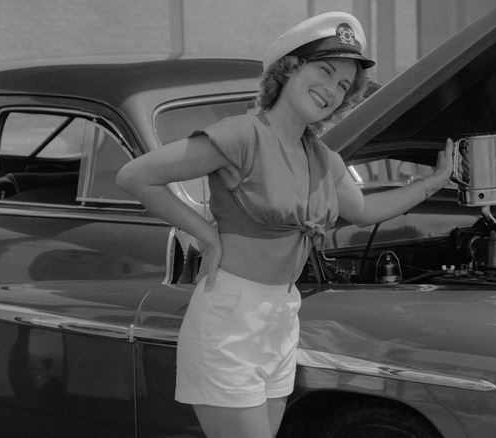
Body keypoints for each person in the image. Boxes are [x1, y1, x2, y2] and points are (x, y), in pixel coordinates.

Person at [116, 11, 454, 438]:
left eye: (343, 86)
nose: (331, 90)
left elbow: (366, 211)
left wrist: (433, 182)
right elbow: (135, 176)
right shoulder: (243, 136)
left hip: (283, 314)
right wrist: (206, 236)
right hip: (230, 318)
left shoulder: (322, 157)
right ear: (290, 68)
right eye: (324, 71)